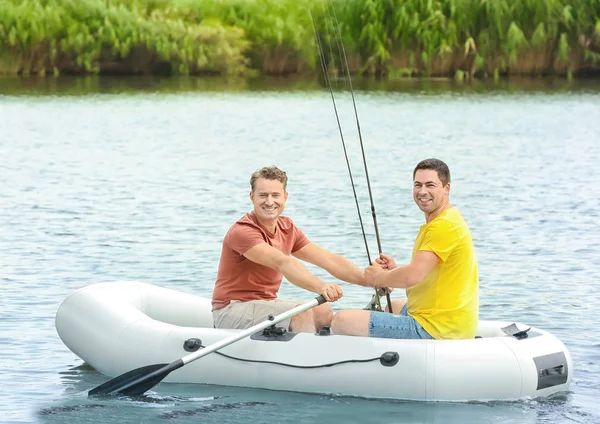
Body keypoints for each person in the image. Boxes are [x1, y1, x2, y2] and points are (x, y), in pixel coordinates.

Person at [331, 158, 478, 340]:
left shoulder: (444, 226)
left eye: (430, 185)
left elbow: (412, 276)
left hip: (437, 328)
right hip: (452, 320)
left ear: (446, 188)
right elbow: (426, 272)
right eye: (418, 185)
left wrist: (380, 277)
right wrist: (395, 270)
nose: (422, 192)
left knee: (341, 320)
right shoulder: (446, 219)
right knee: (393, 306)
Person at [212, 166, 366, 333]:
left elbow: (328, 260)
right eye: (263, 195)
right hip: (231, 310)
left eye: (275, 195)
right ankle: (305, 357)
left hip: (265, 304)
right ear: (252, 197)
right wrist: (321, 286)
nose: (270, 202)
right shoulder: (243, 231)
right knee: (302, 314)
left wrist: (370, 280)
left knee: (323, 310)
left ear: (285, 197)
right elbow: (283, 263)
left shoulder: (287, 227)